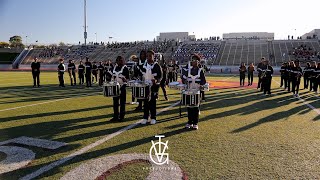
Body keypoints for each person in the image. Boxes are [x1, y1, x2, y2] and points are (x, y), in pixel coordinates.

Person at [181, 54, 206, 130]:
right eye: (192, 60)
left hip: (197, 90)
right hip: (189, 89)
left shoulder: (200, 70)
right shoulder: (187, 69)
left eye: (196, 60)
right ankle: (189, 122)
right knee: (189, 107)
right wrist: (184, 80)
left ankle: (195, 123)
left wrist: (202, 85)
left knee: (195, 107)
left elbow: (203, 80)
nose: (194, 62)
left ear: (198, 62)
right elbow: (183, 77)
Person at [140, 50, 162, 125]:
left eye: (150, 56)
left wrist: (156, 80)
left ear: (153, 56)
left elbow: (160, 76)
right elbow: (142, 75)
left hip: (153, 87)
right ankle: (145, 117)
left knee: (153, 103)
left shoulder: (156, 65)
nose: (148, 57)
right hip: (145, 86)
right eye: (147, 56)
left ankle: (153, 117)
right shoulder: (144, 65)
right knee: (145, 103)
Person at [111, 56, 130, 122]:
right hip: (115, 86)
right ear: (116, 61)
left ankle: (122, 116)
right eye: (118, 60)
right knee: (115, 103)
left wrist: (125, 79)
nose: (120, 61)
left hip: (122, 87)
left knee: (122, 102)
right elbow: (111, 75)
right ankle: (115, 116)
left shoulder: (125, 68)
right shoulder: (114, 67)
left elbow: (128, 79)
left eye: (121, 60)